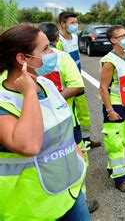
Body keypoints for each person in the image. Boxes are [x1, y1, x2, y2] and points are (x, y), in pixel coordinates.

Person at [0, 25, 89, 220]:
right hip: (31, 207)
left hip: (70, 192)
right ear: (22, 58)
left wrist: (79, 161)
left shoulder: (47, 84)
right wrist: (29, 93)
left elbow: (64, 130)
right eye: (46, 48)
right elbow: (29, 145)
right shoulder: (3, 101)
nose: (53, 53)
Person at [38, 22, 99, 214]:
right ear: (57, 38)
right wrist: (51, 101)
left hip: (41, 124)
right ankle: (79, 199)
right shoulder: (61, 57)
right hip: (66, 122)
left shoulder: (24, 61)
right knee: (76, 160)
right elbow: (77, 85)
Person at [99, 26, 125, 193]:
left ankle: (114, 167)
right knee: (115, 142)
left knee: (124, 137)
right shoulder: (109, 61)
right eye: (122, 36)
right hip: (115, 105)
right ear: (114, 40)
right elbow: (103, 87)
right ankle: (120, 178)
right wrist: (109, 110)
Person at [57, 11, 101, 149]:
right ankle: (71, 145)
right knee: (69, 115)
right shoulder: (58, 42)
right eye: (72, 23)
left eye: (76, 22)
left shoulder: (75, 38)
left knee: (84, 112)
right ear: (63, 24)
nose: (75, 25)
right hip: (67, 87)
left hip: (77, 83)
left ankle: (86, 139)